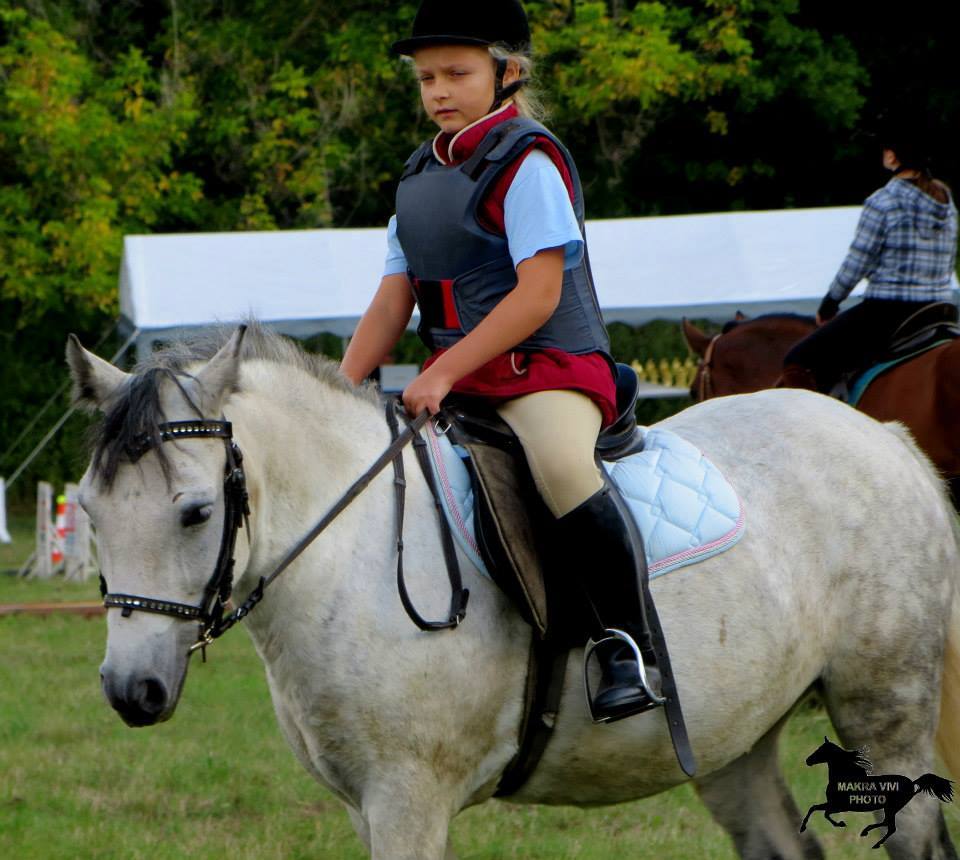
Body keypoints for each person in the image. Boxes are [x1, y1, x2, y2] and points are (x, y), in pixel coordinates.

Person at [339, 0, 662, 722]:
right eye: (426, 78)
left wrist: (442, 371)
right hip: (461, 381)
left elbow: (539, 294)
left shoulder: (529, 162)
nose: (438, 91)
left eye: (456, 74)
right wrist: (338, 385)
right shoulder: (417, 177)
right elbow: (392, 302)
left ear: (508, 72)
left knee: (560, 466)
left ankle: (625, 644)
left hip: (547, 369)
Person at [778, 112, 959, 392]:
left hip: (887, 312)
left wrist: (830, 303)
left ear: (892, 157)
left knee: (798, 360)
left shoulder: (883, 201)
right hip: (940, 309)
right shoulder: (946, 201)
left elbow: (858, 261)